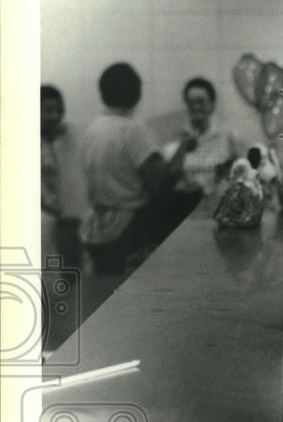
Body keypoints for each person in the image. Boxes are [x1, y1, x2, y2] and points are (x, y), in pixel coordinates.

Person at [79, 62, 188, 275]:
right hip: (130, 229)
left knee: (106, 296)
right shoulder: (132, 129)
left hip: (97, 226)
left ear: (103, 93)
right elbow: (161, 185)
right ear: (136, 94)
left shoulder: (93, 130)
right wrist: (183, 147)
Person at [165, 77, 243, 202]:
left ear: (212, 105)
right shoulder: (175, 140)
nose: (196, 107)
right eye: (191, 102)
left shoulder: (229, 138)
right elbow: (167, 182)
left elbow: (243, 174)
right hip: (184, 209)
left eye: (201, 102)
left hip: (219, 205)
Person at [41, 85, 87, 269]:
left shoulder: (67, 135)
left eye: (59, 110)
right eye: (47, 110)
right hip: (41, 221)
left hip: (67, 220)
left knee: (70, 276)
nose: (55, 115)